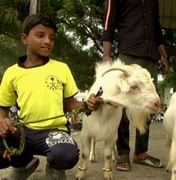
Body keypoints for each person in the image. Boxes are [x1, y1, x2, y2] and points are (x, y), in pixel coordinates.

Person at [0, 14, 102, 180]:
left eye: (52, 38)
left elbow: (70, 104)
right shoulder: (12, 73)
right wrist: (2, 122)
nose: (47, 41)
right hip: (23, 132)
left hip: (54, 133)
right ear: (25, 38)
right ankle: (23, 165)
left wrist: (87, 104)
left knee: (65, 155)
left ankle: (54, 167)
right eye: (40, 35)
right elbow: (2, 108)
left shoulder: (61, 68)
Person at [102, 0, 168, 171]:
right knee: (122, 107)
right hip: (128, 53)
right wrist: (106, 57)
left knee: (148, 105)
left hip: (151, 55)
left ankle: (141, 153)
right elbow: (108, 23)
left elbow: (156, 24)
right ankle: (123, 152)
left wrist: (163, 54)